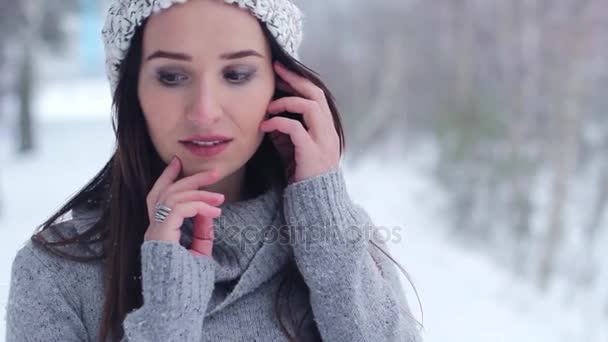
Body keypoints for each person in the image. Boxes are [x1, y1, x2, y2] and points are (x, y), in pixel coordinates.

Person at [5, 0, 423, 341]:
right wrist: (168, 318)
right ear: (131, 91)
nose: (204, 111)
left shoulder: (342, 241)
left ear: (282, 87)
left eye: (237, 74)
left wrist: (324, 223)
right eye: (171, 76)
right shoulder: (55, 272)